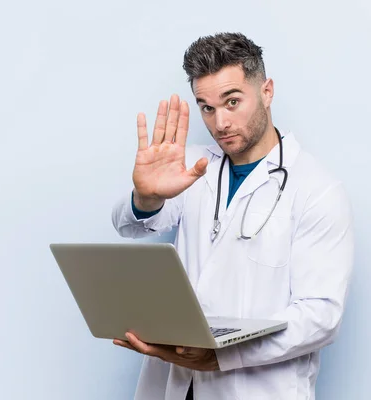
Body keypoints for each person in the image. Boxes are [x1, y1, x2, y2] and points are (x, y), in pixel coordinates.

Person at [111, 32, 354, 400]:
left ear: (267, 91)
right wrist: (146, 197)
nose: (220, 122)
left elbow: (320, 318)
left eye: (232, 102)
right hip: (175, 386)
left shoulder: (316, 190)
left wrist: (222, 355)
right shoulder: (192, 167)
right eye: (206, 107)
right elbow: (129, 226)